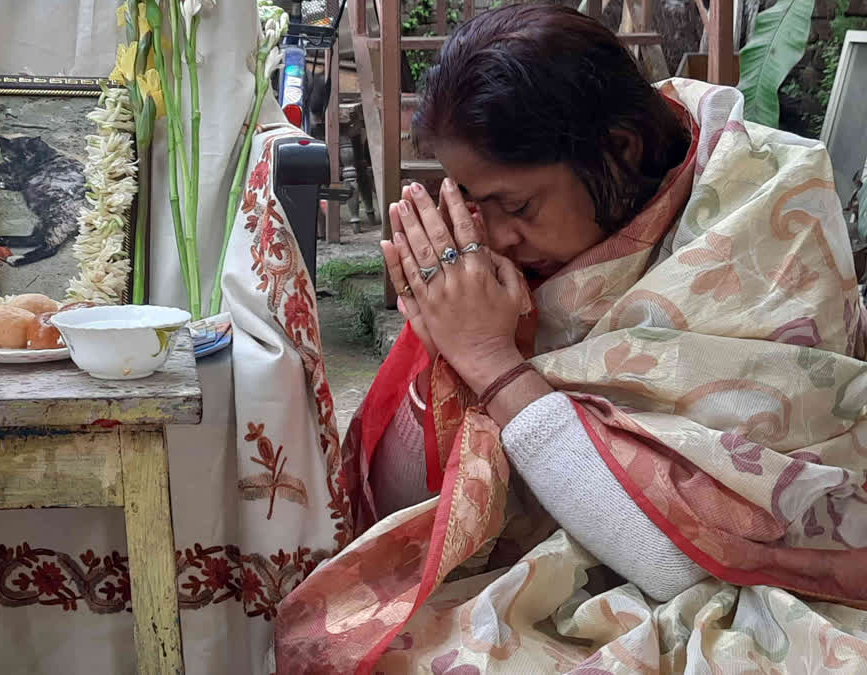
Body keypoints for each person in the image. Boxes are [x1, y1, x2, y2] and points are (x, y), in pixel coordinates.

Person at [274, 5, 867, 673]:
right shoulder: (500, 276)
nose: (494, 236)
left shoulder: (765, 210)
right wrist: (444, 353)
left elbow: (684, 564)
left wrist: (493, 364)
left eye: (518, 206)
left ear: (622, 148)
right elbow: (407, 509)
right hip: (567, 569)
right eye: (475, 202)